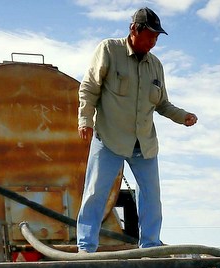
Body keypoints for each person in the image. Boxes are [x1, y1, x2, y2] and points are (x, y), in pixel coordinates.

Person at [75, 7, 198, 252]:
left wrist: (182, 116)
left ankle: (150, 246)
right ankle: (86, 247)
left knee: (151, 198)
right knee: (95, 193)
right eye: (150, 35)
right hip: (109, 138)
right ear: (134, 30)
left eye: (156, 37)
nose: (153, 42)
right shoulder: (109, 50)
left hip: (144, 144)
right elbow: (89, 89)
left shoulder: (156, 65)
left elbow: (162, 104)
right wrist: (85, 120)